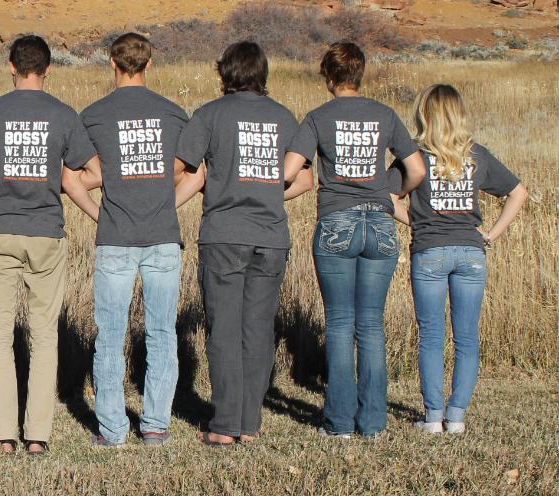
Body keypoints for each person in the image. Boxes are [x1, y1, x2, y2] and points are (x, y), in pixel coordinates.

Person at [0, 35, 98, 455]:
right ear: (49, 69)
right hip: (46, 231)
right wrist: (57, 183)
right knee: (44, 334)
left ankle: (2, 436)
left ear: (10, 67)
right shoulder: (64, 115)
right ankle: (37, 435)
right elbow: (94, 171)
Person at [175, 42, 314, 446]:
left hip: (223, 233)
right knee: (258, 330)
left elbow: (182, 166)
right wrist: (267, 194)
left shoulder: (209, 114)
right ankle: (249, 424)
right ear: (262, 73)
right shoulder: (284, 117)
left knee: (223, 329)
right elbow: (305, 179)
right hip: (271, 237)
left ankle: (223, 425)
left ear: (226, 73)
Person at [286, 42, 426, 439]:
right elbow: (415, 168)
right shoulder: (384, 114)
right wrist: (387, 189)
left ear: (329, 77)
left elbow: (290, 170)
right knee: (371, 326)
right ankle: (373, 422)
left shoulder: (317, 117)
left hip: (336, 221)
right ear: (359, 74)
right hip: (380, 224)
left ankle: (340, 422)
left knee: (340, 324)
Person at [77, 33, 205, 448]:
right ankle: (155, 426)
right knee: (162, 333)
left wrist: (99, 211)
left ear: (112, 63)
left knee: (110, 335)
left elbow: (76, 176)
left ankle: (112, 430)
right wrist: (170, 202)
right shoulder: (174, 113)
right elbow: (196, 173)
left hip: (115, 237)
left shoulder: (93, 116)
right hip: (163, 236)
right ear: (149, 65)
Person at [389, 84, 528, 435]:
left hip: (430, 252)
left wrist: (416, 220)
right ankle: (458, 417)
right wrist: (491, 234)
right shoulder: (476, 154)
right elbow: (518, 192)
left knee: (432, 336)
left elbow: (387, 196)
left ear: (425, 115)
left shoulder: (415, 156)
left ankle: (433, 417)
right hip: (471, 253)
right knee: (467, 339)